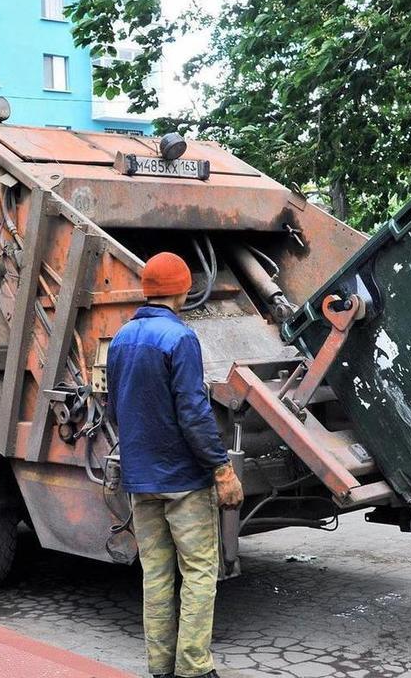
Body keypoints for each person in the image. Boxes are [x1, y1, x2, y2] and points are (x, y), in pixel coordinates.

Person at [107, 251, 245, 678]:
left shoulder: (120, 340)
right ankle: (195, 668)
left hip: (141, 480)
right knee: (201, 570)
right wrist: (221, 469)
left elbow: (115, 410)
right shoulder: (179, 338)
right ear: (183, 290)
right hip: (184, 479)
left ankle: (160, 667)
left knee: (156, 574)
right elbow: (193, 411)